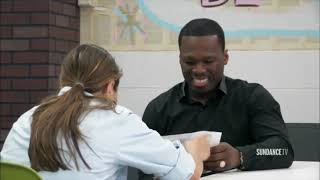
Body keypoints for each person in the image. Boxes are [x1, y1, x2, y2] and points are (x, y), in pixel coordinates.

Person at [0, 44, 211, 180]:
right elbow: (187, 173)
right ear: (110, 86)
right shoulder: (116, 121)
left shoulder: (26, 120)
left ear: (63, 80)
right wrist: (196, 149)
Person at [140, 18, 294, 179]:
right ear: (180, 59)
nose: (199, 70)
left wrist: (239, 156)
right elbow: (142, 167)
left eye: (208, 61)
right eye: (189, 62)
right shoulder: (158, 109)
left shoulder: (253, 97)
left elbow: (282, 149)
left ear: (225, 57)